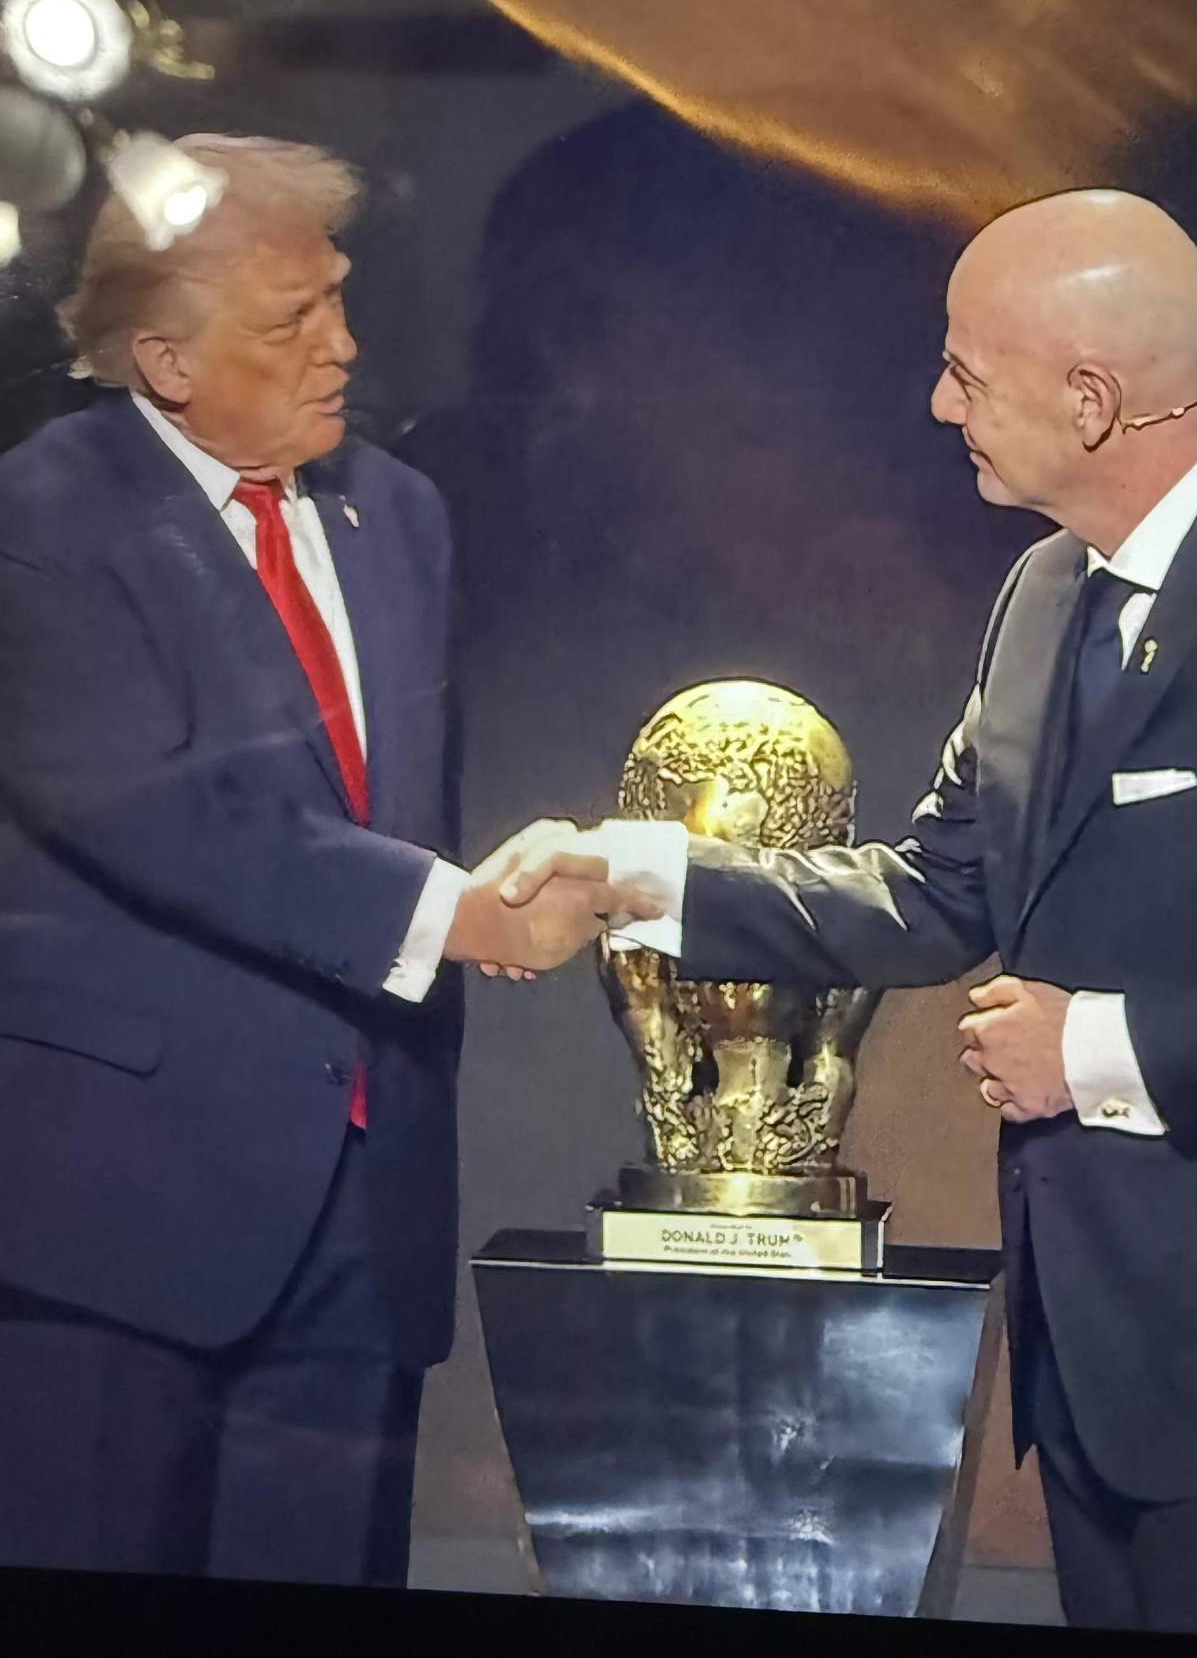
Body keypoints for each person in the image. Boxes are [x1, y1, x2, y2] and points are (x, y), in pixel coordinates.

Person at [496, 189, 1197, 1633]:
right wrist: (634, 875)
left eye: (967, 372)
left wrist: (1100, 1052)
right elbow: (936, 891)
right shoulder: (1041, 597)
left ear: (1092, 400)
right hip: (1103, 1357)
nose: (939, 405)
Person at [0, 134, 637, 1586]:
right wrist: (458, 916)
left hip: (364, 1214)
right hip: (119, 1229)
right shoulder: (38, 523)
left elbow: (387, 809)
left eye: (338, 296)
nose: (343, 345)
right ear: (164, 360)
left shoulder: (397, 512)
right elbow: (167, 814)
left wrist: (490, 890)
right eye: (293, 320)